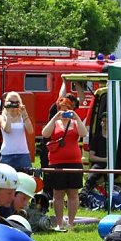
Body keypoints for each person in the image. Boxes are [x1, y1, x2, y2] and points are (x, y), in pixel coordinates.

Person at [41, 95, 88, 231]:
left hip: (74, 162)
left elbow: (84, 133)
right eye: (61, 109)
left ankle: (71, 222)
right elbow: (45, 134)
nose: (64, 111)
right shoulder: (55, 122)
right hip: (56, 162)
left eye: (67, 108)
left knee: (73, 193)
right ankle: (59, 223)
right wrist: (55, 118)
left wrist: (76, 117)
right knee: (58, 194)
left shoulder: (74, 122)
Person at [0, 92, 34, 170]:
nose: (13, 104)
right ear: (6, 102)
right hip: (7, 155)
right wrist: (8, 113)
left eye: (16, 102)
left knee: (26, 178)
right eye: (11, 102)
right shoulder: (2, 117)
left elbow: (30, 131)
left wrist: (25, 113)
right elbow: (8, 129)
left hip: (23, 154)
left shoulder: (22, 117)